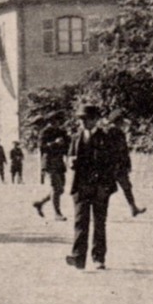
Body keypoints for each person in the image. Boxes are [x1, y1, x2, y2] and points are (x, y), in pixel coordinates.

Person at [66, 104, 119, 270]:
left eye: (86, 119)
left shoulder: (106, 138)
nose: (82, 122)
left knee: (99, 223)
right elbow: (69, 156)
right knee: (80, 222)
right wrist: (70, 161)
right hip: (81, 186)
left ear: (95, 120)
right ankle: (78, 258)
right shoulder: (76, 137)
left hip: (100, 187)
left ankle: (98, 258)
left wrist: (106, 186)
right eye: (80, 119)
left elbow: (112, 164)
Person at [106, 115, 146, 217]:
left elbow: (124, 151)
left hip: (119, 166)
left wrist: (127, 164)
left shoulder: (119, 133)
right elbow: (112, 151)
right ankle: (101, 210)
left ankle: (133, 208)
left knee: (126, 187)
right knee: (109, 189)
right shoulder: (110, 133)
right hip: (113, 166)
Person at [32, 123, 69, 221]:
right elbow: (42, 148)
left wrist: (64, 144)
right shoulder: (45, 132)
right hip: (49, 163)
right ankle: (57, 213)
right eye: (57, 120)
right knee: (56, 188)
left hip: (59, 163)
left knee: (60, 190)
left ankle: (40, 203)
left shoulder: (62, 132)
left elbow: (67, 147)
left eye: (60, 120)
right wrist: (55, 143)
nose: (58, 123)